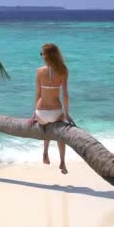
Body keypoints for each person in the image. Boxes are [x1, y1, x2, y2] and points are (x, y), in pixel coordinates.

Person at [27, 43, 75, 174]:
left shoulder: (39, 71)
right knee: (60, 132)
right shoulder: (63, 71)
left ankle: (45, 152)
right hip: (55, 111)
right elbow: (65, 94)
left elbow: (37, 94)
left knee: (46, 126)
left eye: (43, 53)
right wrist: (67, 114)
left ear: (47, 56)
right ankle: (62, 162)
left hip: (41, 112)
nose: (42, 56)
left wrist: (34, 115)